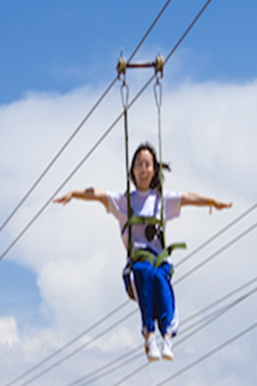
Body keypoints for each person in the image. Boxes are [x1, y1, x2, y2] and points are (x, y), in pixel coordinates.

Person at [54, 142, 231, 362]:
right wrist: (74, 193)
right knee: (145, 271)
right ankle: (149, 335)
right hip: (137, 267)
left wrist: (212, 202)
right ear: (133, 170)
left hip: (158, 263)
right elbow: (98, 194)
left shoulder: (162, 200)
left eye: (147, 164)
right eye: (139, 164)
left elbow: (187, 198)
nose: (144, 169)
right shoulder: (124, 201)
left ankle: (167, 337)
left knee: (159, 275)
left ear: (154, 169)